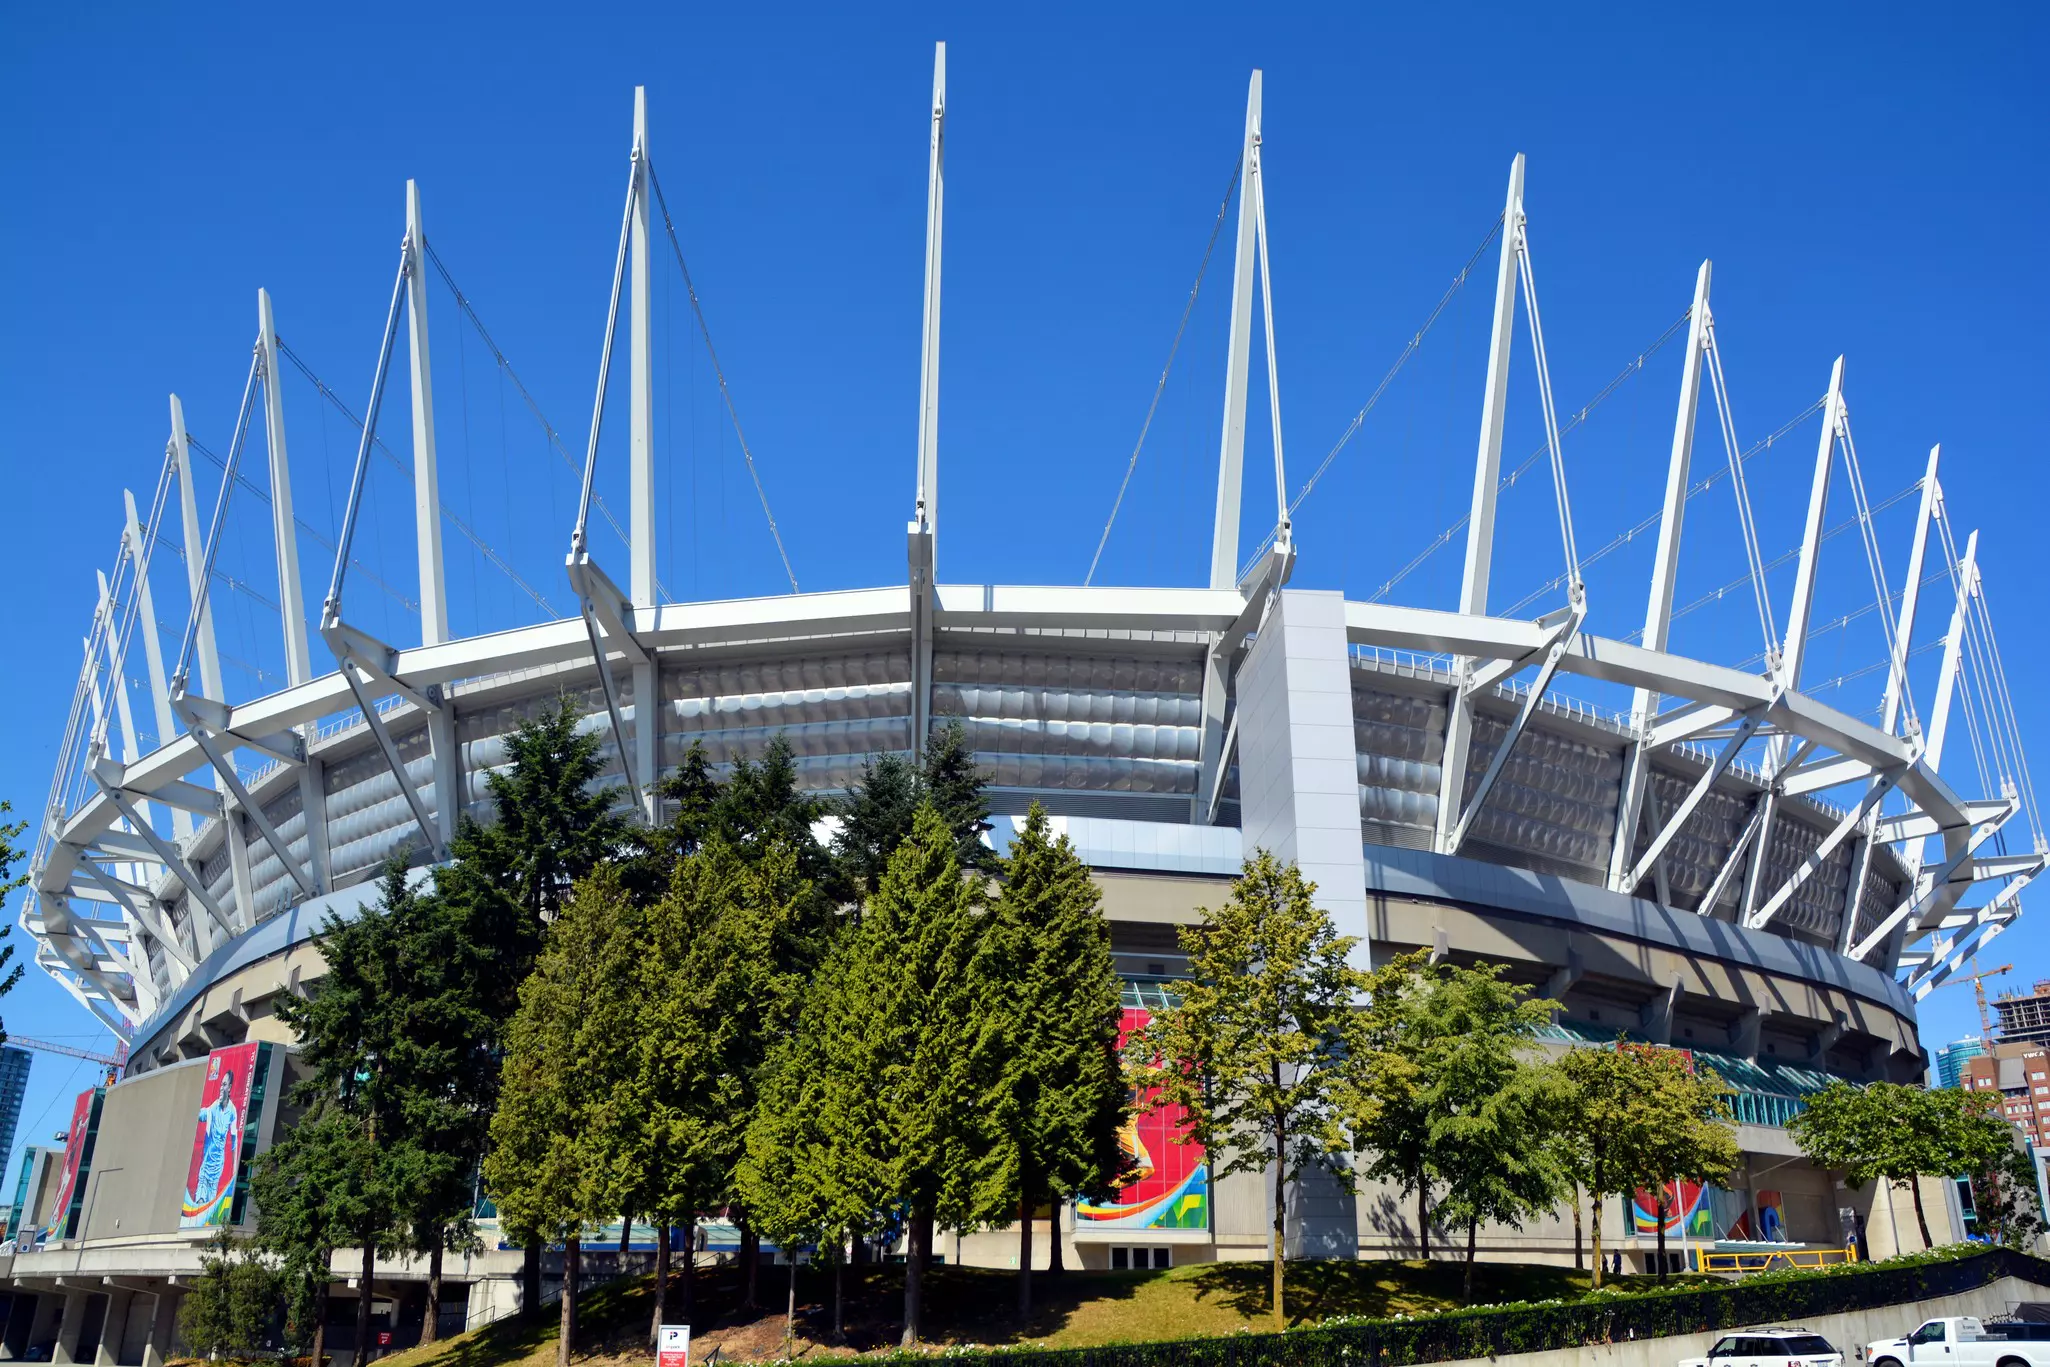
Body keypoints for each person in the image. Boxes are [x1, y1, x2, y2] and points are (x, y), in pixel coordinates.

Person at [187, 1069, 242, 1220]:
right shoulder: (213, 1107)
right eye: (220, 1084)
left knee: (210, 1208)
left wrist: (234, 1170)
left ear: (229, 1088)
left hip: (218, 1168)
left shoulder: (232, 1111)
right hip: (206, 1165)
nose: (221, 1087)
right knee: (200, 1200)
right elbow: (201, 1114)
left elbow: (234, 1141)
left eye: (224, 1084)